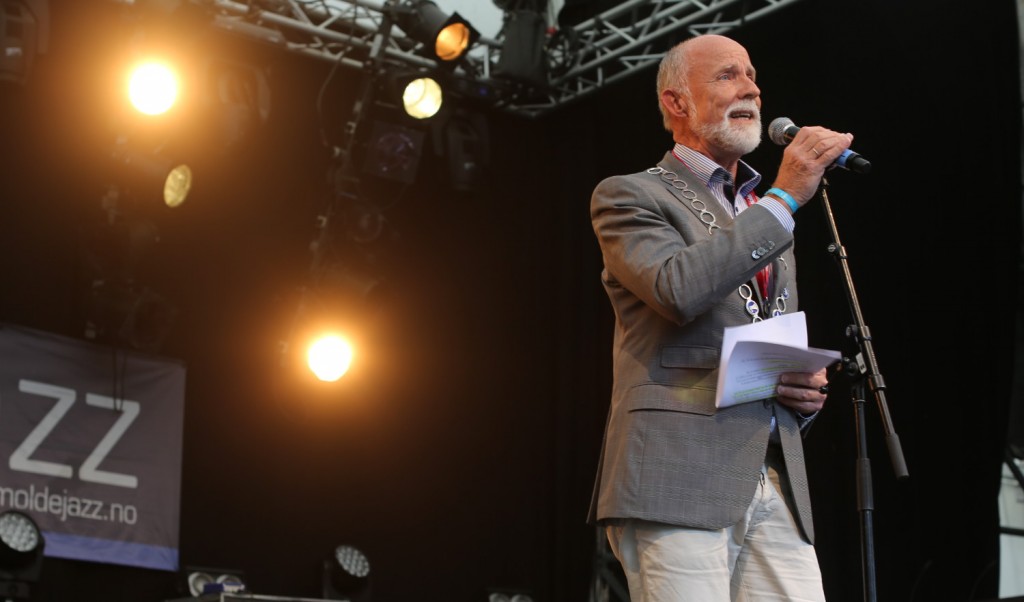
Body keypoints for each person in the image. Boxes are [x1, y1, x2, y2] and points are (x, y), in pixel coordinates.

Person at [588, 33, 853, 601]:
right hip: (675, 470)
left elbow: (761, 334)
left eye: (752, 75)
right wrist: (785, 198)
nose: (751, 88)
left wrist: (795, 388)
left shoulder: (762, 211)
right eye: (728, 75)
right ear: (676, 102)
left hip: (771, 472)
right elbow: (677, 288)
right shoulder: (630, 196)